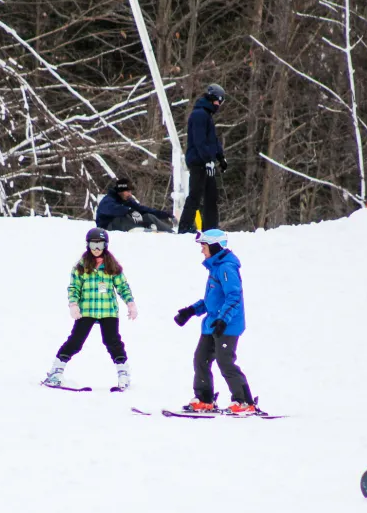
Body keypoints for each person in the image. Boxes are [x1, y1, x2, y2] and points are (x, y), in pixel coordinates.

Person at [173, 229, 257, 413]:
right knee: (200, 359)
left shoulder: (226, 267)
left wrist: (223, 320)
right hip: (213, 323)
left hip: (227, 325)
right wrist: (190, 311)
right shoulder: (216, 267)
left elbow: (234, 297)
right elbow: (212, 301)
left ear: (214, 246)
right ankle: (204, 399)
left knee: (225, 361)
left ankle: (244, 402)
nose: (202, 251)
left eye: (204, 246)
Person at [43, 228, 136, 390]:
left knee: (112, 342)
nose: (96, 248)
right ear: (88, 245)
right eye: (93, 244)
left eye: (100, 244)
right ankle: (56, 372)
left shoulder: (112, 266)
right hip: (86, 310)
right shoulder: (81, 266)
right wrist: (73, 304)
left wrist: (130, 303)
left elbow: (122, 286)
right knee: (76, 341)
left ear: (105, 245)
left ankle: (123, 374)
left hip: (108, 311)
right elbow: (74, 288)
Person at [177, 83, 227, 234]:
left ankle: (210, 229)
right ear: (213, 99)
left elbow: (212, 140)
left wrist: (220, 157)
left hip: (206, 162)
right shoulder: (199, 114)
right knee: (195, 195)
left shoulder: (206, 115)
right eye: (219, 101)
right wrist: (207, 160)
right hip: (199, 162)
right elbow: (199, 141)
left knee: (211, 196)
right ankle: (184, 227)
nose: (219, 105)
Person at [96, 177, 175, 232]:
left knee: (148, 216)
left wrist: (165, 215)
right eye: (128, 191)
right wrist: (129, 210)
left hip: (125, 225)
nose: (130, 194)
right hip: (108, 227)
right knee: (123, 218)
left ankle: (170, 232)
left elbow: (142, 209)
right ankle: (140, 230)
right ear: (120, 191)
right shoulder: (108, 200)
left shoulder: (127, 200)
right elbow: (111, 209)